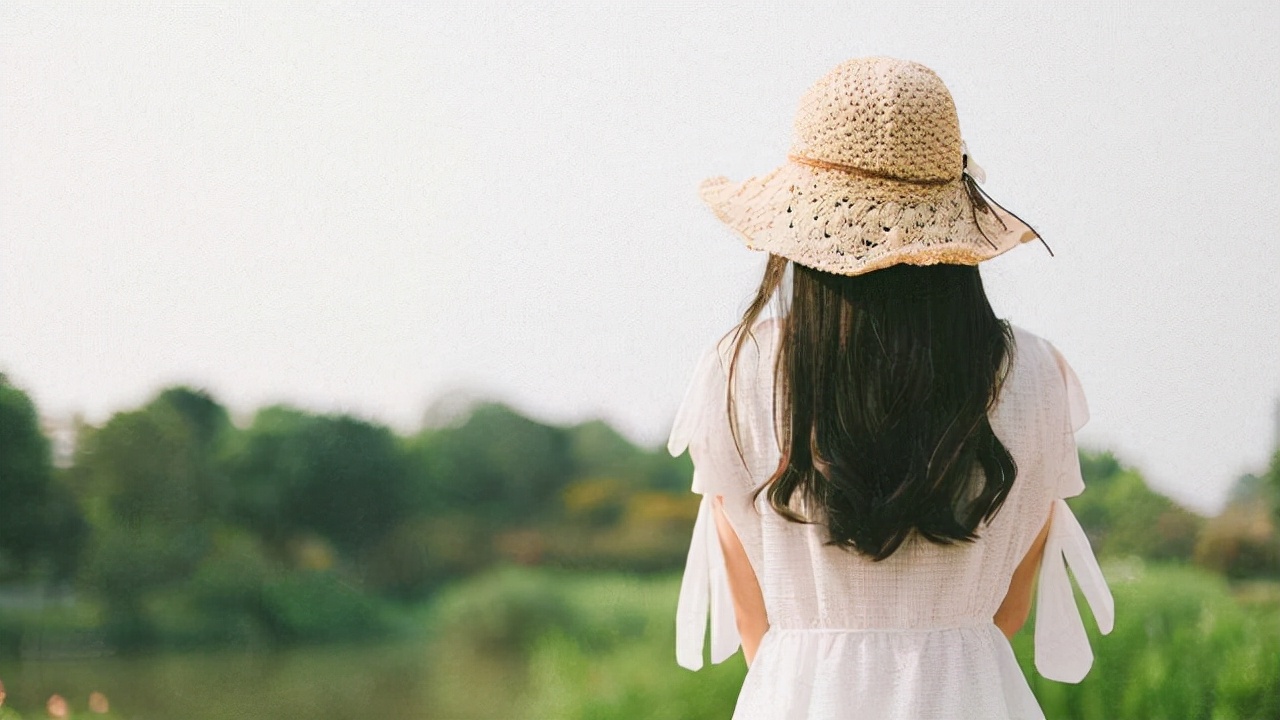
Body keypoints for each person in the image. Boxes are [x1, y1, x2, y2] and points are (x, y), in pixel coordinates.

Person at [669, 57, 1113, 720]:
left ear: (802, 226)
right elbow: (1009, 610)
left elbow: (749, 609)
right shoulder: (1037, 375)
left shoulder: (734, 373)